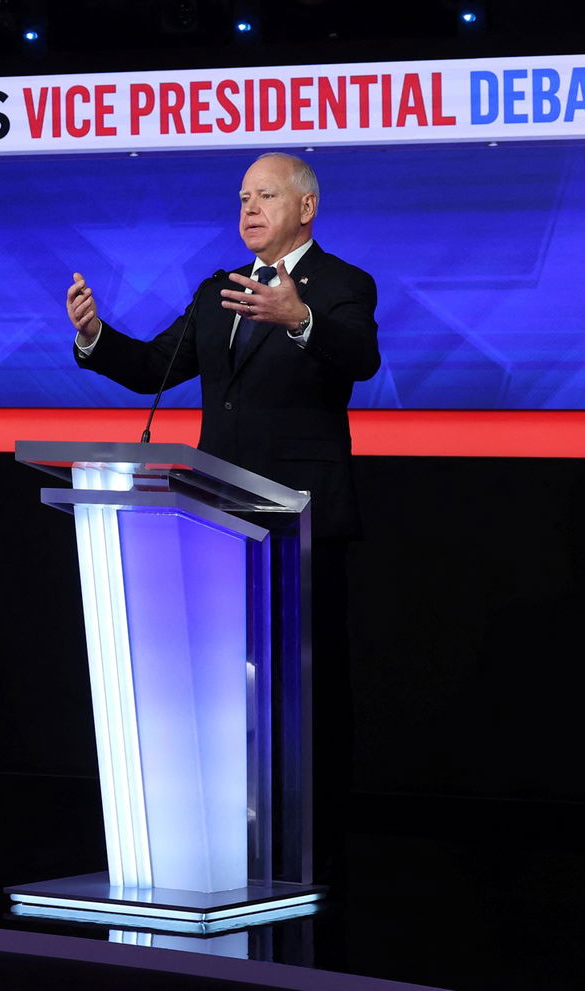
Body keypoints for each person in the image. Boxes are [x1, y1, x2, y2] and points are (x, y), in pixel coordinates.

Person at [67, 151, 380, 882]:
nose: (248, 209)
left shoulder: (341, 285)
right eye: (242, 197)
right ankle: (241, 839)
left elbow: (358, 359)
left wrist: (299, 318)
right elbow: (154, 367)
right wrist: (93, 335)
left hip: (302, 518)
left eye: (265, 195)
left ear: (306, 207)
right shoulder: (218, 290)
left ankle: (320, 845)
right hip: (219, 519)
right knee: (231, 687)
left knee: (310, 689)